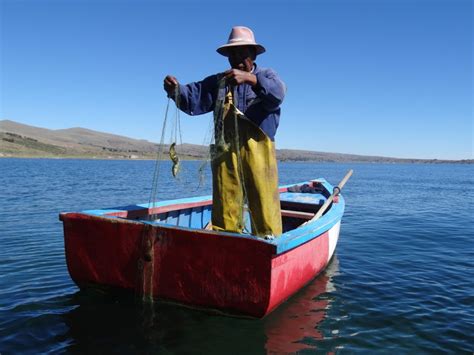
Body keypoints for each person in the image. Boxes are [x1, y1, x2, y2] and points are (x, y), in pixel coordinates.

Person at [163, 26, 285, 238]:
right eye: (232, 54)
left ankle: (269, 246)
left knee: (264, 205)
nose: (237, 58)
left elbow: (277, 95)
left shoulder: (267, 76)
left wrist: (250, 79)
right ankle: (228, 244)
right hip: (225, 154)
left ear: (253, 54)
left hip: (258, 157)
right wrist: (175, 90)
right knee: (226, 205)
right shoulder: (219, 82)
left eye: (242, 53)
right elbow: (192, 97)